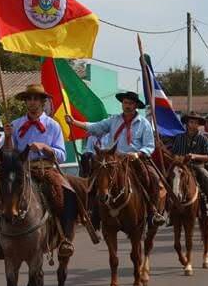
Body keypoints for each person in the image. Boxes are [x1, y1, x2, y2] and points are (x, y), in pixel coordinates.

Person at [0, 84, 78, 259]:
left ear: (42, 102)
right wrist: (9, 137)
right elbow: (6, 155)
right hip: (20, 170)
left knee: (67, 193)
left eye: (36, 99)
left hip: (45, 168)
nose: (32, 102)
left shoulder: (53, 125)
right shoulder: (16, 124)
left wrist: (44, 147)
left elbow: (62, 155)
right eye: (29, 99)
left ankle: (65, 238)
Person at [67, 90, 167, 227]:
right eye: (125, 103)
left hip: (134, 160)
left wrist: (138, 154)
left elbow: (150, 145)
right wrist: (75, 123)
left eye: (131, 103)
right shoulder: (114, 120)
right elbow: (97, 127)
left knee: (153, 178)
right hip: (113, 160)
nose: (127, 106)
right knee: (94, 180)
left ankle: (153, 212)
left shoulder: (144, 123)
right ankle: (92, 213)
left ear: (136, 106)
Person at [170, 112, 208, 216]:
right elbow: (174, 154)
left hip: (197, 166)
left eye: (195, 123)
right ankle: (168, 210)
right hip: (181, 167)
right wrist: (177, 157)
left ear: (198, 125)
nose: (193, 124)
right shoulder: (179, 137)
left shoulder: (203, 139)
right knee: (166, 181)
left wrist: (195, 156)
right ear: (187, 123)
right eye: (191, 122)